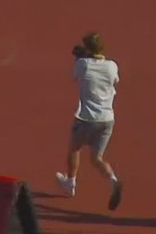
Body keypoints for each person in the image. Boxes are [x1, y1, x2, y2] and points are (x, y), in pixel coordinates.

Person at [55, 32, 123, 211]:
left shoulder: (82, 64)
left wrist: (81, 58)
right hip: (107, 119)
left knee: (74, 149)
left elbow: (75, 77)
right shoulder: (112, 66)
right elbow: (115, 80)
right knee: (96, 158)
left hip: (86, 118)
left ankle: (70, 183)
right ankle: (112, 179)